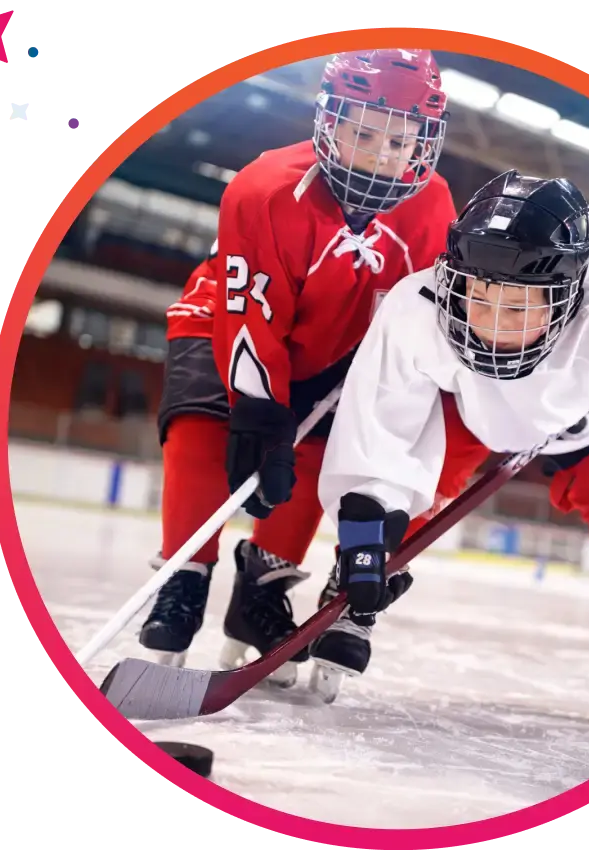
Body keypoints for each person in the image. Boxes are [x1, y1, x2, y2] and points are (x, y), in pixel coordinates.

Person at [313, 168, 589, 704]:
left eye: (520, 306)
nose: (492, 324)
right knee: (413, 484)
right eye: (480, 296)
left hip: (566, 415)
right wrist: (365, 543)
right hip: (467, 405)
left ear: (568, 297)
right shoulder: (419, 309)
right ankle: (353, 595)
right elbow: (383, 428)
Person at [139, 49, 458, 685]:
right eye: (364, 131)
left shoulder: (433, 210)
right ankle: (184, 579)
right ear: (329, 120)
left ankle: (261, 586)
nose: (382, 154)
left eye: (401, 139)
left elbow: (420, 325)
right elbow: (251, 317)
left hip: (340, 348)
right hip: (227, 322)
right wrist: (259, 411)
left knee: (317, 455)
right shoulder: (263, 189)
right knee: (209, 429)